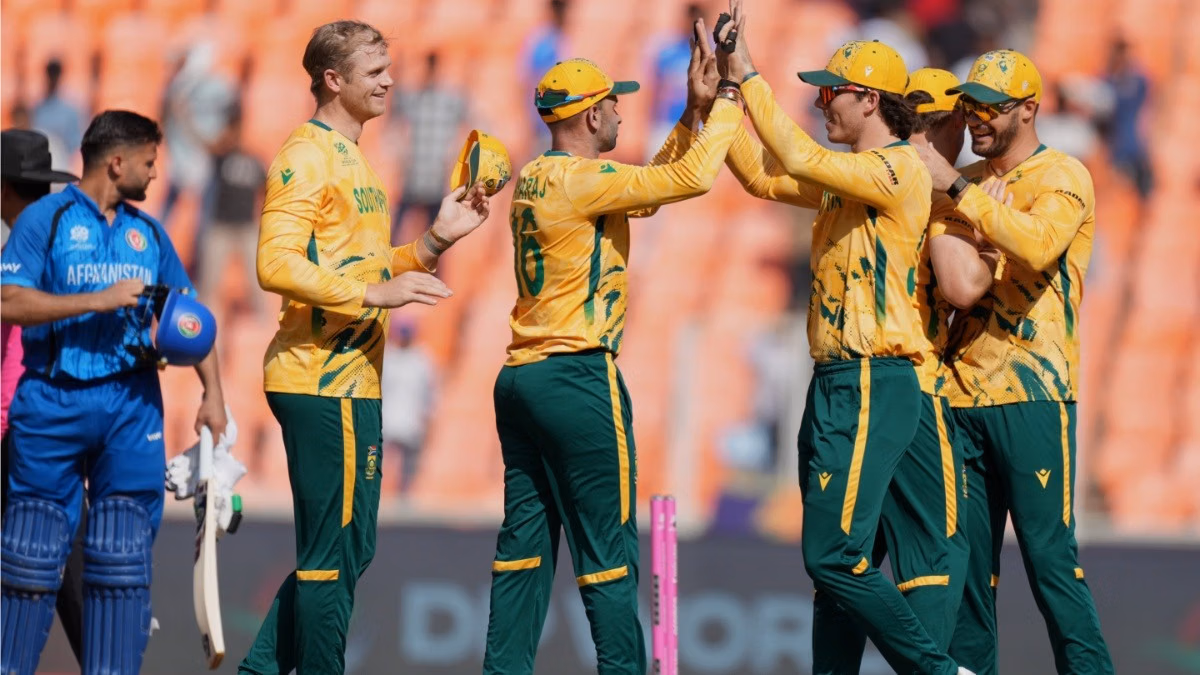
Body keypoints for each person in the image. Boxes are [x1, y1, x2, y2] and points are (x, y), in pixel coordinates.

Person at [712, 2, 974, 673]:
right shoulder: (845, 178)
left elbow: (793, 152)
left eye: (829, 92)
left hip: (871, 377)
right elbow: (764, 175)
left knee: (833, 556)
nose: (821, 102)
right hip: (833, 380)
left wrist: (746, 73)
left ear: (867, 99)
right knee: (834, 567)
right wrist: (715, 100)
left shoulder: (898, 169)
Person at [481, 18, 745, 672]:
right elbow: (687, 181)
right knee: (608, 553)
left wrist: (693, 111)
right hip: (577, 374)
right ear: (592, 114)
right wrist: (731, 104)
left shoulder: (541, 177)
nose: (622, 112)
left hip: (521, 376)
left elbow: (648, 190)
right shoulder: (582, 181)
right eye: (615, 103)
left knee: (524, 550)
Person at [239, 21, 492, 675]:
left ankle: (261, 669)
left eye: (388, 68)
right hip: (316, 373)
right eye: (374, 70)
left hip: (356, 376)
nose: (389, 80)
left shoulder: (359, 160)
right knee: (330, 552)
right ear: (333, 79)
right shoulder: (306, 153)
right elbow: (275, 262)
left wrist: (435, 240)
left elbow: (375, 265)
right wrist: (370, 295)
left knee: (352, 547)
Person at [0, 110, 228, 674]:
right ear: (117, 162)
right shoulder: (44, 221)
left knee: (121, 554)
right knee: (31, 551)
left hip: (131, 404)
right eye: (150, 163)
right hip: (51, 398)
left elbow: (191, 316)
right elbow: (9, 301)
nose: (155, 175)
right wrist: (97, 300)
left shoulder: (147, 233)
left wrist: (213, 395)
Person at [916, 49, 1115, 675]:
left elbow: (1038, 244)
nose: (976, 118)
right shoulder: (971, 180)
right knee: (972, 574)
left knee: (1051, 562)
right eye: (970, 106)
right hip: (960, 396)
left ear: (1030, 109)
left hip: (1033, 391)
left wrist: (957, 192)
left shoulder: (1063, 174)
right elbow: (955, 284)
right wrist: (964, 197)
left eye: (992, 108)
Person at [0, 128, 85, 668]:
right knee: (68, 577)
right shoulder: (69, 243)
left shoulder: (20, 249)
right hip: (56, 426)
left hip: (19, 429)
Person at [197, 104, 268, 323]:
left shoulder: (255, 159)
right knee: (209, 282)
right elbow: (202, 142)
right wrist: (182, 117)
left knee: (260, 280)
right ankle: (204, 321)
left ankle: (263, 324)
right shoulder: (220, 157)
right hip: (221, 227)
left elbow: (266, 193)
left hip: (247, 227)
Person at [391, 51, 468, 244]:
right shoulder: (415, 99)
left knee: (435, 242)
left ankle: (429, 273)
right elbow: (396, 103)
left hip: (434, 180)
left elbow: (472, 118)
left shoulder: (449, 101)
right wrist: (397, 71)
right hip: (414, 178)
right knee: (395, 235)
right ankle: (387, 270)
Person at [380, 321, 436, 497]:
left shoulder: (421, 359)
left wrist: (428, 417)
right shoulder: (386, 356)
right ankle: (378, 493)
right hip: (386, 417)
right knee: (377, 458)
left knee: (409, 461)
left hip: (411, 418)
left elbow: (429, 392)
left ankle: (404, 494)